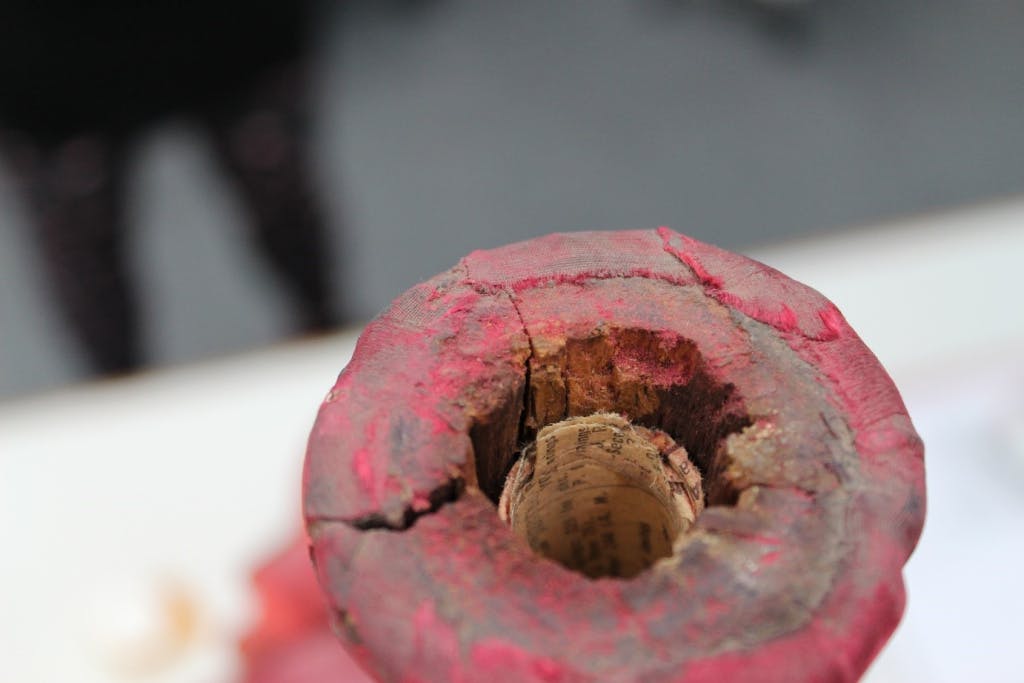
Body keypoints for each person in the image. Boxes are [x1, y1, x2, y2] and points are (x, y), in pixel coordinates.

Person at [0, 1, 336, 375]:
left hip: (232, 35)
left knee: (276, 184)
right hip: (47, 69)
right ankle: (117, 402)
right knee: (80, 236)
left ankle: (333, 347)